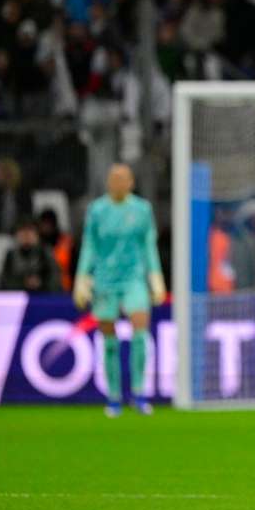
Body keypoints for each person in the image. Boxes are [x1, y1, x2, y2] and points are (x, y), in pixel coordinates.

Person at [72, 164, 166, 417]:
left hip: (134, 278)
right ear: (108, 182)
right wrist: (82, 277)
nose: (118, 183)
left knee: (140, 331)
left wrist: (155, 277)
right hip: (105, 280)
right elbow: (90, 245)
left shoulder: (142, 210)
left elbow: (148, 245)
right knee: (109, 339)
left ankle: (138, 392)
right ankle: (113, 396)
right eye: (114, 178)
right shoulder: (97, 210)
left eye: (123, 179)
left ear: (131, 182)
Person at [0, 218, 62, 294]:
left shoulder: (45, 252)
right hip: (18, 297)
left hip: (43, 296)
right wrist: (23, 282)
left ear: (37, 235)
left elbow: (55, 278)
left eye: (30, 231)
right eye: (22, 231)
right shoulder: (11, 254)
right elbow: (5, 280)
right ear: (16, 235)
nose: (26, 235)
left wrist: (40, 282)